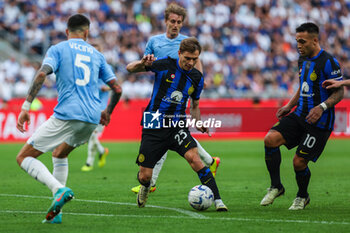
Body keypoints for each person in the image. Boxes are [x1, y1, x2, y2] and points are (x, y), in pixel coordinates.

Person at [16, 14, 122, 223]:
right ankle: (57, 214)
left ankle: (58, 189)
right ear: (87, 33)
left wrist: (26, 106)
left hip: (68, 114)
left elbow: (40, 75)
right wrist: (107, 112)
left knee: (23, 157)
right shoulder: (97, 55)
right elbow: (117, 89)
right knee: (60, 154)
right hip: (91, 119)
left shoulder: (58, 49)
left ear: (67, 32)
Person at [126, 37, 227, 211]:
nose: (190, 62)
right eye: (187, 58)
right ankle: (145, 186)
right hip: (153, 123)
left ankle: (218, 201)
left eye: (194, 59)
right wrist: (142, 63)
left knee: (194, 159)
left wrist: (198, 122)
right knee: (144, 176)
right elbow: (130, 68)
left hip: (177, 124)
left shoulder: (197, 78)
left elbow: (195, 106)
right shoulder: (165, 64)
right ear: (179, 53)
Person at [131, 2, 220, 194]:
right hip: (158, 99)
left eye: (179, 22)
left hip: (178, 99)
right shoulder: (154, 42)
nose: (175, 25)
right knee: (156, 140)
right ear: (165, 21)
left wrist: (198, 86)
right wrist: (143, 62)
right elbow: (144, 65)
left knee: (173, 136)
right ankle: (211, 161)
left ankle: (150, 183)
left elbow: (197, 69)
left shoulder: (187, 43)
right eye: (172, 21)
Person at [260, 22, 344, 210]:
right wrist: (289, 105)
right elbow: (303, 85)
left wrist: (322, 107)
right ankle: (276, 186)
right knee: (270, 140)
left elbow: (339, 92)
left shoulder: (329, 62)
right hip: (299, 114)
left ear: (315, 40)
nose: (298, 45)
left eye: (302, 41)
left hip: (319, 121)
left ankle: (302, 196)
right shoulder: (302, 59)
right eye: (297, 41)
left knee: (299, 162)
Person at [81, 43, 111, 172]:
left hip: (101, 108)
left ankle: (89, 163)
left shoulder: (105, 67)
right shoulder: (87, 67)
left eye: (97, 50)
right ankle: (101, 151)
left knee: (91, 134)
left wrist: (106, 87)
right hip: (89, 106)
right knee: (90, 135)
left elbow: (115, 84)